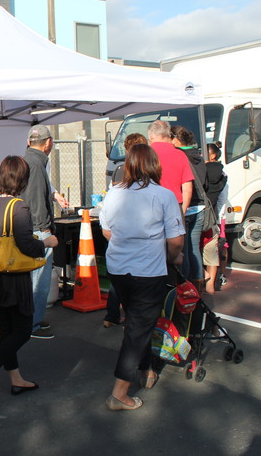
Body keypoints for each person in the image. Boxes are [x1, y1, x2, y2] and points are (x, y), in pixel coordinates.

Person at [99, 144, 185, 411]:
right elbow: (176, 241)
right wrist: (172, 257)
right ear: (154, 165)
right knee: (138, 329)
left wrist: (126, 242)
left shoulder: (114, 193)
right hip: (148, 271)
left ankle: (147, 370)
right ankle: (119, 394)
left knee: (138, 323)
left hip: (119, 268)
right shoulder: (163, 195)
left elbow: (106, 231)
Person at [0, 156, 58, 406]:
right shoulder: (19, 207)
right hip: (14, 278)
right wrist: (47, 242)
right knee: (22, 330)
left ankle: (16, 379)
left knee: (7, 328)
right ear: (22, 180)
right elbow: (27, 245)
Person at [22, 125, 69, 339]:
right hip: (38, 230)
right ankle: (32, 325)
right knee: (38, 282)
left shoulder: (29, 160)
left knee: (34, 280)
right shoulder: (36, 163)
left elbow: (35, 193)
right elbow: (35, 200)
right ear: (48, 142)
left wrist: (53, 195)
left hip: (31, 228)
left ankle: (31, 323)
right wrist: (44, 229)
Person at [103, 132, 147, 328]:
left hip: (118, 236)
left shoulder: (119, 170)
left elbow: (109, 209)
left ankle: (111, 316)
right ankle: (133, 318)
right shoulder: (147, 172)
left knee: (118, 279)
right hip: (139, 240)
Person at [171, 126, 207, 285]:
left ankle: (185, 286)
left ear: (175, 139)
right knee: (194, 248)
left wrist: (182, 209)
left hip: (185, 207)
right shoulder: (198, 156)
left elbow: (185, 187)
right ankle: (198, 284)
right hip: (200, 207)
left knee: (183, 250)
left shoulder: (179, 156)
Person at [147, 120, 193, 215]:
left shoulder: (145, 155)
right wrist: (183, 210)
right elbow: (187, 189)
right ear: (168, 134)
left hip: (150, 206)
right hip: (174, 206)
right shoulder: (180, 155)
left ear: (151, 136)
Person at [202, 142, 229, 294]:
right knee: (218, 248)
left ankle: (205, 279)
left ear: (212, 155)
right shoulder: (223, 174)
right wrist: (219, 218)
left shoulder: (201, 171)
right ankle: (215, 281)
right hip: (216, 217)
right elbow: (222, 199)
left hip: (204, 215)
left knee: (199, 249)